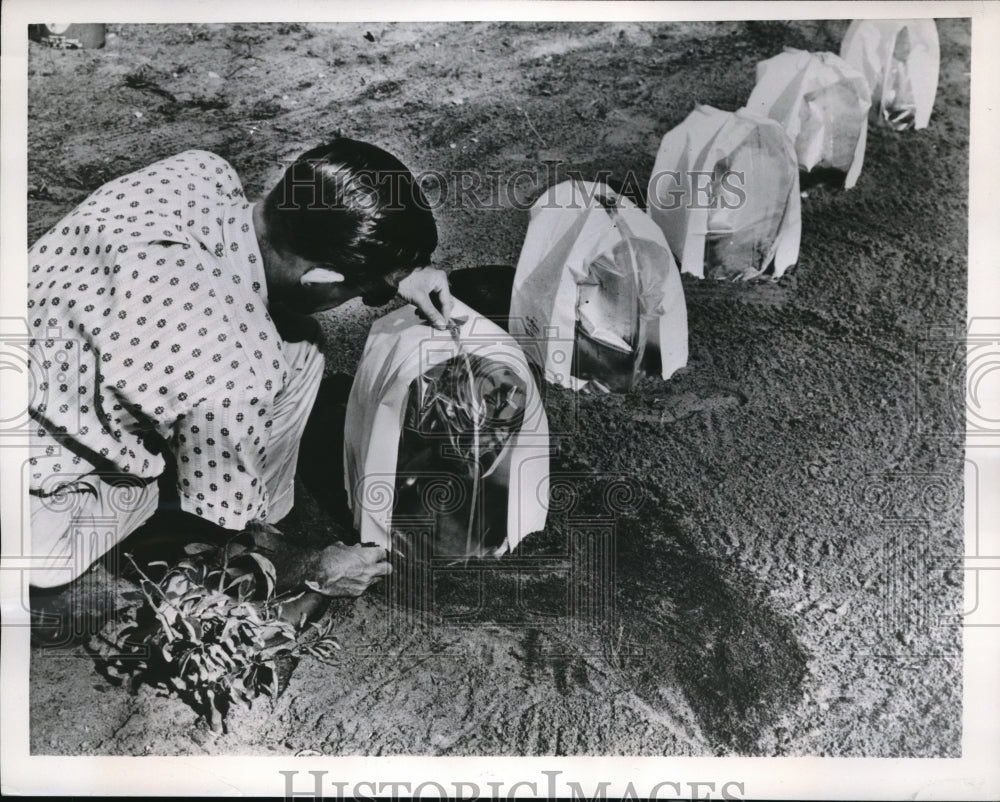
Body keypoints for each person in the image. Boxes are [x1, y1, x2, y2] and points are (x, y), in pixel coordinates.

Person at [26, 138, 453, 630]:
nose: (370, 299)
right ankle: (251, 546)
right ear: (320, 279)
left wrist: (395, 269)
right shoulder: (235, 368)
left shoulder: (198, 171)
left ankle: (249, 502)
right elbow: (227, 377)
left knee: (296, 343)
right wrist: (312, 568)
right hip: (32, 488)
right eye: (363, 293)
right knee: (93, 585)